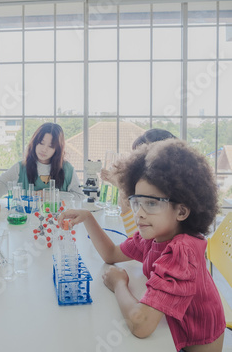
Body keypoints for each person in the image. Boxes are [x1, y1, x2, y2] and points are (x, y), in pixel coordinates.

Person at [58, 140, 226, 352]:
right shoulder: (154, 235)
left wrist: (119, 283)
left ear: (181, 212)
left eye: (152, 203)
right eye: (137, 201)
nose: (139, 213)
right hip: (172, 326)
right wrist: (88, 219)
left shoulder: (182, 250)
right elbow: (111, 254)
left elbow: (141, 324)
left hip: (194, 343)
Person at [0, 122, 82, 216]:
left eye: (51, 146)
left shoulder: (67, 169)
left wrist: (49, 195)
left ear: (57, 149)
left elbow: (79, 197)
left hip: (57, 225)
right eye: (41, 143)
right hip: (25, 225)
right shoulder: (21, 167)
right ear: (35, 143)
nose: (44, 149)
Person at [101, 128, 177, 237]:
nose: (134, 163)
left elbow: (138, 239)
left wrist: (121, 187)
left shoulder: (164, 198)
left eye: (139, 158)